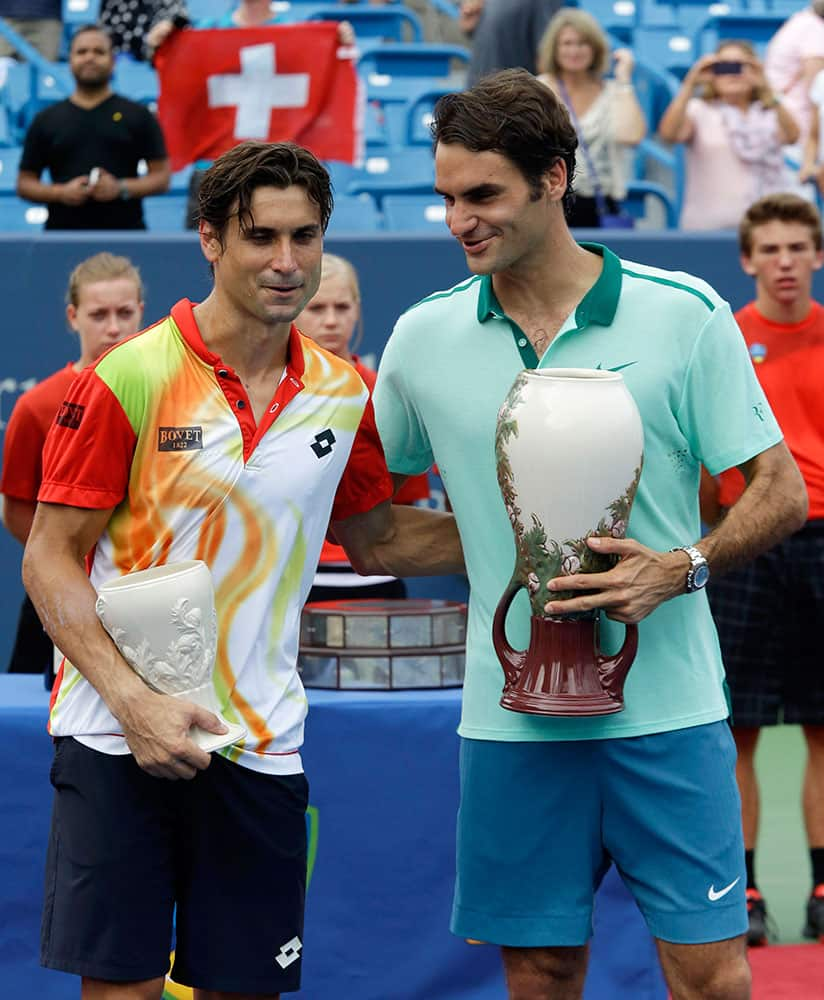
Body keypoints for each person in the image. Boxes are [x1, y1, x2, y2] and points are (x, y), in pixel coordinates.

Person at [372, 68, 808, 999]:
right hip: (510, 720)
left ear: (554, 178)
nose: (459, 220)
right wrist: (514, 546)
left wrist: (680, 565)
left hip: (672, 713)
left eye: (483, 195)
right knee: (537, 971)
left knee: (712, 978)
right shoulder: (419, 340)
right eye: (446, 197)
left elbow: (779, 492)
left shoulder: (682, 314)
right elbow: (383, 527)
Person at [22, 139, 463, 1000]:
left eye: (307, 237)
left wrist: (514, 532)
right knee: (125, 991)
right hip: (119, 737)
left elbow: (375, 538)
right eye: (262, 237)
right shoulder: (130, 375)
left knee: (245, 991)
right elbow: (48, 557)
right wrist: (134, 704)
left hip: (259, 742)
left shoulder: (342, 391)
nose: (288, 262)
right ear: (211, 240)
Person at [700, 193, 824, 948]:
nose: (784, 262)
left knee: (823, 729)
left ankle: (819, 886)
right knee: (736, 730)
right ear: (747, 260)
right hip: (742, 544)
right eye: (769, 250)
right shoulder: (725, 341)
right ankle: (740, 892)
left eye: (797, 248)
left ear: (815, 255)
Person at [0, 252, 144, 683]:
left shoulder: (167, 395)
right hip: (61, 591)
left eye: (124, 312)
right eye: (99, 314)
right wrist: (64, 561)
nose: (114, 327)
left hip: (145, 593)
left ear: (141, 311)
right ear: (73, 316)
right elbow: (16, 508)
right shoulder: (37, 406)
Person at [296, 252, 430, 602]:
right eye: (316, 308)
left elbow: (407, 502)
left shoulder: (384, 395)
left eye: (342, 307)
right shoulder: (267, 396)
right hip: (291, 579)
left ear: (357, 309)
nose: (331, 321)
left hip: (375, 579)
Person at [16, 23, 170, 230]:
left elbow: (161, 177)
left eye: (99, 52)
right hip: (61, 238)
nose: (90, 57)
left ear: (112, 61)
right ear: (69, 60)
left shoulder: (138, 115)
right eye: (82, 51)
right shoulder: (46, 119)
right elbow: (25, 183)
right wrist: (60, 193)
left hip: (127, 236)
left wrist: (121, 188)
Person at [659, 40, 799, 231]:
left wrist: (766, 88)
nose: (733, 74)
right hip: (709, 227)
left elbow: (792, 136)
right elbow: (669, 133)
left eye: (740, 66)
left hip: (766, 225)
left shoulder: (770, 111)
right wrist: (690, 84)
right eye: (723, 66)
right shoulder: (699, 110)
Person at [536, 9, 645, 228]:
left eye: (583, 43)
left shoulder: (614, 91)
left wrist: (624, 81)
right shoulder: (539, 89)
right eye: (567, 43)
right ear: (554, 49)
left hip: (600, 204)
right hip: (549, 201)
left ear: (595, 49)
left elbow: (631, 136)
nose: (575, 50)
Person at [765, 0, 824, 144]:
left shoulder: (800, 22)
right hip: (799, 128)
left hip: (788, 122)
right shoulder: (813, 29)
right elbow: (816, 91)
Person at [466, 0, 561, 85]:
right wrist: (470, 21)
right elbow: (473, 29)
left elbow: (547, 53)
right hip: (477, 88)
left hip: (510, 96)